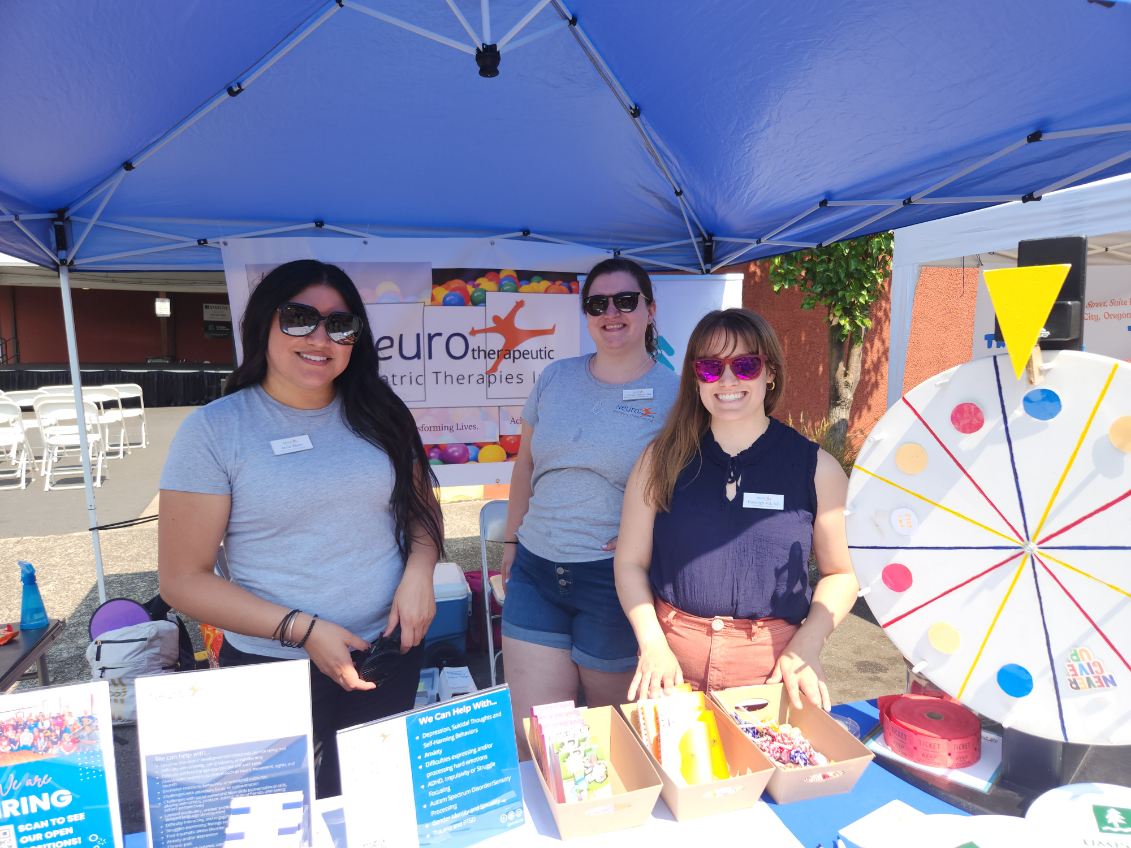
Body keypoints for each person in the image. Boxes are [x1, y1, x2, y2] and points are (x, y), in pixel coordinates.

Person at [158, 259, 443, 797]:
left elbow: (421, 511)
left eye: (340, 324)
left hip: (385, 651)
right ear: (264, 323)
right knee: (278, 819)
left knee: (370, 810)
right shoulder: (214, 431)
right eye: (298, 318)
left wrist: (421, 570)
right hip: (272, 668)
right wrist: (304, 630)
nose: (320, 337)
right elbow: (183, 579)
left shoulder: (381, 411)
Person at [614, 308, 858, 710]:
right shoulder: (659, 460)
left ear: (770, 372)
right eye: (711, 367)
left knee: (770, 773)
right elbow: (629, 563)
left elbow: (842, 573)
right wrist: (652, 643)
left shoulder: (816, 468)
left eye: (745, 365)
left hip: (773, 667)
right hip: (671, 666)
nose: (727, 380)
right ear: (696, 378)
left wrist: (808, 644)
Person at [501, 257, 679, 754]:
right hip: (536, 571)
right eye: (597, 304)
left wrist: (648, 539)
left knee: (616, 738)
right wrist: (513, 540)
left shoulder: (677, 393)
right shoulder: (555, 378)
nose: (611, 313)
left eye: (626, 300)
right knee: (539, 740)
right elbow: (524, 466)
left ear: (649, 309)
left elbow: (685, 485)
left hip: (612, 581)